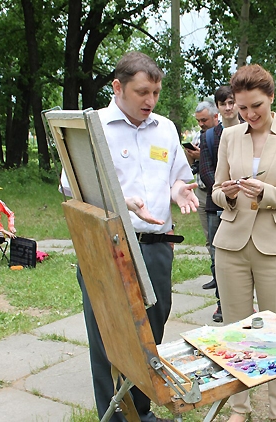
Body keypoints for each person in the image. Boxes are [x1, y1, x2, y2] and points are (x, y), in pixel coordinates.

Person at [76, 51, 198, 422]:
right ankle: (115, 416)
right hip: (109, 247)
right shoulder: (92, 127)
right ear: (118, 87)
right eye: (142, 92)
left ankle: (140, 412)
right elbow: (73, 186)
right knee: (109, 336)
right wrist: (121, 202)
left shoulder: (165, 128)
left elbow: (178, 176)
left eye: (155, 93)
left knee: (151, 335)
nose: (151, 100)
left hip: (156, 247)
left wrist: (179, 191)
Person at [212, 64, 276, 422]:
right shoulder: (229, 137)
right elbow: (216, 191)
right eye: (242, 107)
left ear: (271, 98)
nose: (249, 114)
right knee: (235, 332)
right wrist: (229, 194)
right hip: (231, 245)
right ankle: (240, 408)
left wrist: (266, 193)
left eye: (256, 105)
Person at [199, 86, 241, 323]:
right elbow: (206, 170)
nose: (228, 107)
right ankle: (221, 303)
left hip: (246, 203)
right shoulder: (209, 136)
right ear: (217, 107)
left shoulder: (249, 130)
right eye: (223, 103)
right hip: (216, 205)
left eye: (231, 102)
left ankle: (245, 302)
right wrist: (224, 192)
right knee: (218, 256)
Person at [186, 101, 220, 291]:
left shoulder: (221, 135)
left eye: (204, 120)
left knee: (221, 240)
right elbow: (191, 166)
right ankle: (216, 275)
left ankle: (224, 279)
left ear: (215, 116)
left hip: (218, 192)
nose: (201, 124)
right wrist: (191, 155)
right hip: (201, 191)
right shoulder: (197, 136)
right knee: (209, 238)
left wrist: (203, 156)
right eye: (198, 120)